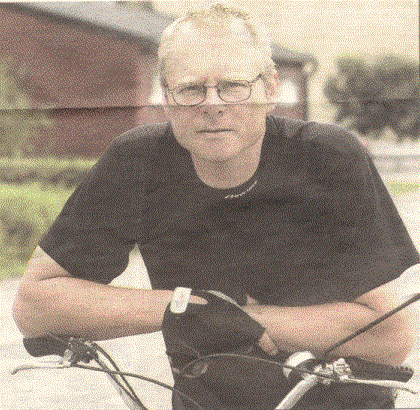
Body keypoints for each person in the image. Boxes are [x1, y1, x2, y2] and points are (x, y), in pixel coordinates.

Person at [13, 3, 420, 409]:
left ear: (270, 89)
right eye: (191, 89)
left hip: (338, 397)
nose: (212, 104)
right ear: (166, 96)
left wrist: (237, 320)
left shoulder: (327, 157)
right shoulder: (138, 162)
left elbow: (390, 337)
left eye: (233, 85)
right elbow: (34, 308)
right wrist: (183, 308)